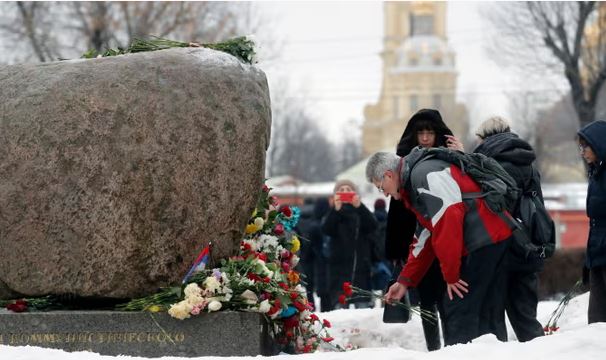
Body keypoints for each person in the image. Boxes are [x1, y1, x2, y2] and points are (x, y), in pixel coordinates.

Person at [366, 149, 512, 345]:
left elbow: (447, 224)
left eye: (380, 186)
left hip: (484, 240)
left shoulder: (424, 176)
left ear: (389, 175)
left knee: (458, 311)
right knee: (486, 312)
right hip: (492, 238)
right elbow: (425, 235)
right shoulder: (417, 179)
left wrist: (451, 276)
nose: (383, 193)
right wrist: (404, 281)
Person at [384, 108, 463, 351]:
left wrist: (460, 154)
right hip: (417, 240)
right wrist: (397, 250)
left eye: (430, 132)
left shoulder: (448, 159)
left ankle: (452, 346)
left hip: (448, 236)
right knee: (428, 300)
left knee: (448, 297)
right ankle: (434, 348)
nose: (426, 138)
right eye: (421, 133)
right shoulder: (402, 167)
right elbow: (395, 213)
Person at [474, 116, 545, 342]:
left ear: (484, 137)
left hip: (497, 246)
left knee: (493, 320)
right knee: (526, 318)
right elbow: (539, 205)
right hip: (527, 244)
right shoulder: (528, 162)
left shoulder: (488, 164)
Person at [322, 179, 378, 309]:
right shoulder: (333, 213)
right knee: (340, 310)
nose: (345, 192)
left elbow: (373, 225)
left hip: (360, 268)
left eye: (348, 190)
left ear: (355, 193)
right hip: (339, 270)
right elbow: (326, 229)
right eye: (341, 190)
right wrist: (335, 210)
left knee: (362, 309)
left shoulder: (361, 211)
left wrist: (360, 207)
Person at [577, 120, 606, 324]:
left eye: (585, 146)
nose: (582, 152)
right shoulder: (596, 173)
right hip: (597, 253)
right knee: (596, 322)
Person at [371, 199, 392, 296]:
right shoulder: (390, 219)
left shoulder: (371, 219)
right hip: (388, 256)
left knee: (375, 282)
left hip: (376, 257)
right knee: (388, 283)